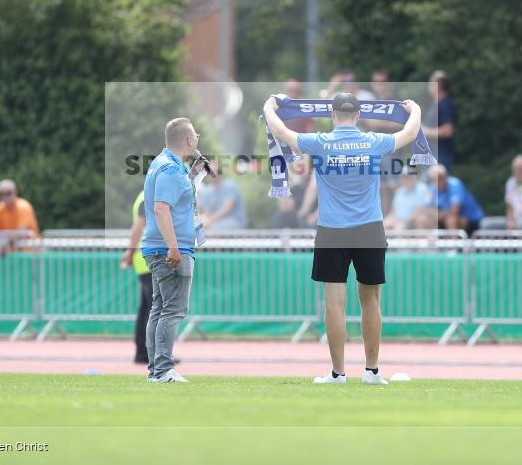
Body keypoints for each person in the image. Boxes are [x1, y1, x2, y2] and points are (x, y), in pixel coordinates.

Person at [263, 91, 422, 385]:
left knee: (334, 304)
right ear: (358, 115)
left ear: (332, 115)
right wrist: (415, 109)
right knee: (371, 301)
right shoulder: (373, 142)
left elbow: (281, 131)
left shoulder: (320, 143)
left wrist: (269, 106)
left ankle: (338, 373)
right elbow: (410, 132)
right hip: (370, 227)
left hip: (332, 229)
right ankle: (372, 371)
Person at [142, 117, 202, 383]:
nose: (198, 139)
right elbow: (161, 208)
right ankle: (164, 369)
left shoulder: (164, 164)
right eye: (195, 135)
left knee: (159, 307)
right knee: (172, 310)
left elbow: (173, 202)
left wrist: (193, 176)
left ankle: (156, 370)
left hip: (160, 247)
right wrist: (174, 247)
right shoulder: (169, 168)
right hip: (170, 249)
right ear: (188, 140)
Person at [121, 190, 152, 364]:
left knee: (146, 308)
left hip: (143, 259)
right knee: (154, 308)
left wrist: (130, 254)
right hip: (148, 258)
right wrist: (129, 253)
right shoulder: (148, 196)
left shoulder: (143, 195)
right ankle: (152, 353)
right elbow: (138, 228)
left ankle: (143, 352)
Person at [0, 179, 39, 256]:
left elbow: (20, 233)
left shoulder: (23, 207)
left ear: (15, 193)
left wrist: (2, 243)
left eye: (8, 193)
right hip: (8, 257)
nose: (5, 197)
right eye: (1, 194)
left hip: (28, 255)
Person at [429, 165, 483, 235]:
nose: (438, 182)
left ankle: (454, 245)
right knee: (423, 219)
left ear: (446, 176)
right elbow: (427, 209)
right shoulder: (433, 188)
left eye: (440, 178)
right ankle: (423, 245)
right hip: (445, 219)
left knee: (451, 220)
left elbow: (454, 211)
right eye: (434, 179)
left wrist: (437, 214)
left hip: (471, 220)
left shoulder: (455, 184)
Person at [422, 70, 457, 170]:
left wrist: (424, 131)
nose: (428, 85)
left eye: (431, 82)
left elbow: (448, 130)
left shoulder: (446, 104)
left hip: (440, 155)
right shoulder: (434, 104)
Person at [198, 162, 248, 230]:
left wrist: (210, 221)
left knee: (212, 230)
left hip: (233, 221)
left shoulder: (230, 186)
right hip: (214, 222)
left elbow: (226, 209)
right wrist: (205, 221)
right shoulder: (207, 191)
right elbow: (206, 212)